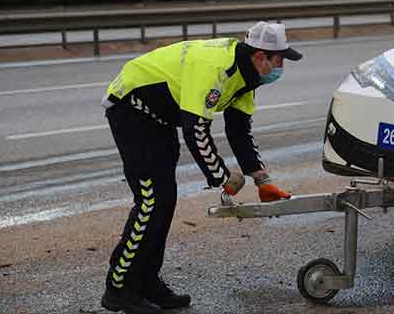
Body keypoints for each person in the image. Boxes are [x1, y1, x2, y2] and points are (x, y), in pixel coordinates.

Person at [100, 21, 302, 314]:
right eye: (279, 60)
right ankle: (118, 288)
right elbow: (196, 131)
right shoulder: (216, 68)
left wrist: (261, 180)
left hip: (159, 118)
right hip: (130, 108)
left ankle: (145, 282)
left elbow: (239, 131)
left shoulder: (247, 78)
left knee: (165, 201)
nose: (281, 67)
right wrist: (222, 177)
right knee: (150, 201)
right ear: (261, 57)